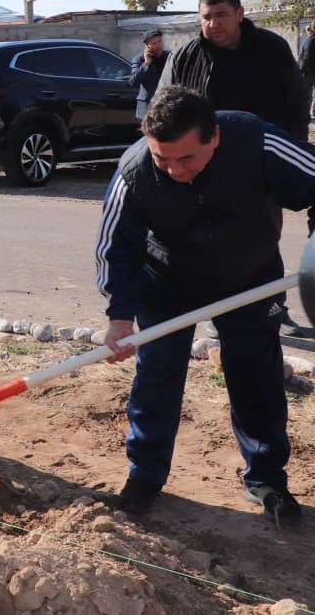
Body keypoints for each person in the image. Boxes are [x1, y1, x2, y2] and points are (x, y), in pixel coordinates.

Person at [96, 86, 315, 523]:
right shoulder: (134, 172)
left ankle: (267, 479)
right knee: (158, 375)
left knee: (256, 374)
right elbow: (115, 247)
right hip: (167, 283)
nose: (174, 170)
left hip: (249, 278)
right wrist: (120, 317)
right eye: (164, 159)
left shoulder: (259, 143)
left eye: (187, 159)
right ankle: (144, 476)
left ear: (213, 137)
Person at [163, 0, 308, 336]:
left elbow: (296, 103)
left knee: (263, 238)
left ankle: (274, 311)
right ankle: (218, 313)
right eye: (206, 17)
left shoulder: (271, 49)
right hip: (204, 166)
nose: (213, 24)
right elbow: (164, 107)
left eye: (221, 15)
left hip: (262, 164)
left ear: (240, 14)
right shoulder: (187, 56)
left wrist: (295, 156)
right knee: (212, 241)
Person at [129, 29, 167, 120]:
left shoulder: (169, 57)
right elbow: (133, 82)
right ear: (147, 46)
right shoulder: (139, 60)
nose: (158, 45)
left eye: (159, 41)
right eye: (154, 43)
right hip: (147, 109)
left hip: (166, 106)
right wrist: (146, 64)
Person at [298, 22, 315, 119]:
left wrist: (300, 70)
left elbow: (306, 58)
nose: (307, 32)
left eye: (309, 30)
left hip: (308, 72)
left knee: (307, 94)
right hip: (311, 71)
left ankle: (306, 114)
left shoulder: (309, 42)